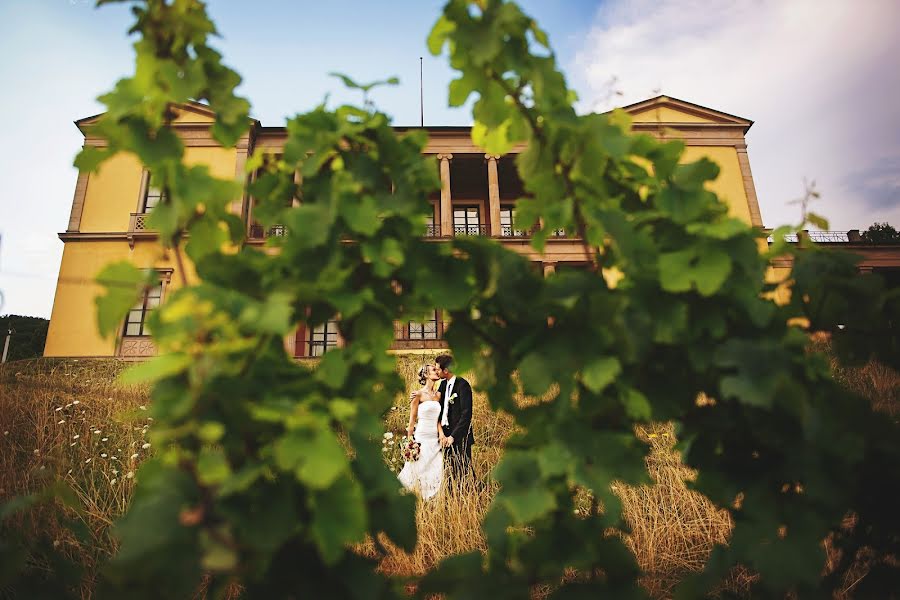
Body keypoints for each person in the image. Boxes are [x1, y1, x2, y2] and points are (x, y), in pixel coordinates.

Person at [397, 363, 445, 500]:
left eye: (437, 370)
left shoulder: (438, 395)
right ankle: (406, 497)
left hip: (435, 439)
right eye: (433, 370)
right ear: (426, 375)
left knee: (436, 469)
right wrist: (409, 441)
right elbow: (412, 419)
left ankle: (430, 501)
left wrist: (441, 433)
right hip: (421, 438)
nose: (437, 372)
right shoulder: (417, 394)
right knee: (416, 469)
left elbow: (438, 419)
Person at [434, 354, 475, 487]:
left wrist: (453, 436)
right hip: (444, 435)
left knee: (462, 471)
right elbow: (436, 407)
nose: (436, 372)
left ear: (446, 370)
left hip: (460, 436)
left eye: (438, 369)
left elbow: (466, 414)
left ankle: (466, 499)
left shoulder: (462, 385)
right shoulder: (442, 384)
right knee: (447, 472)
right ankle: (450, 498)